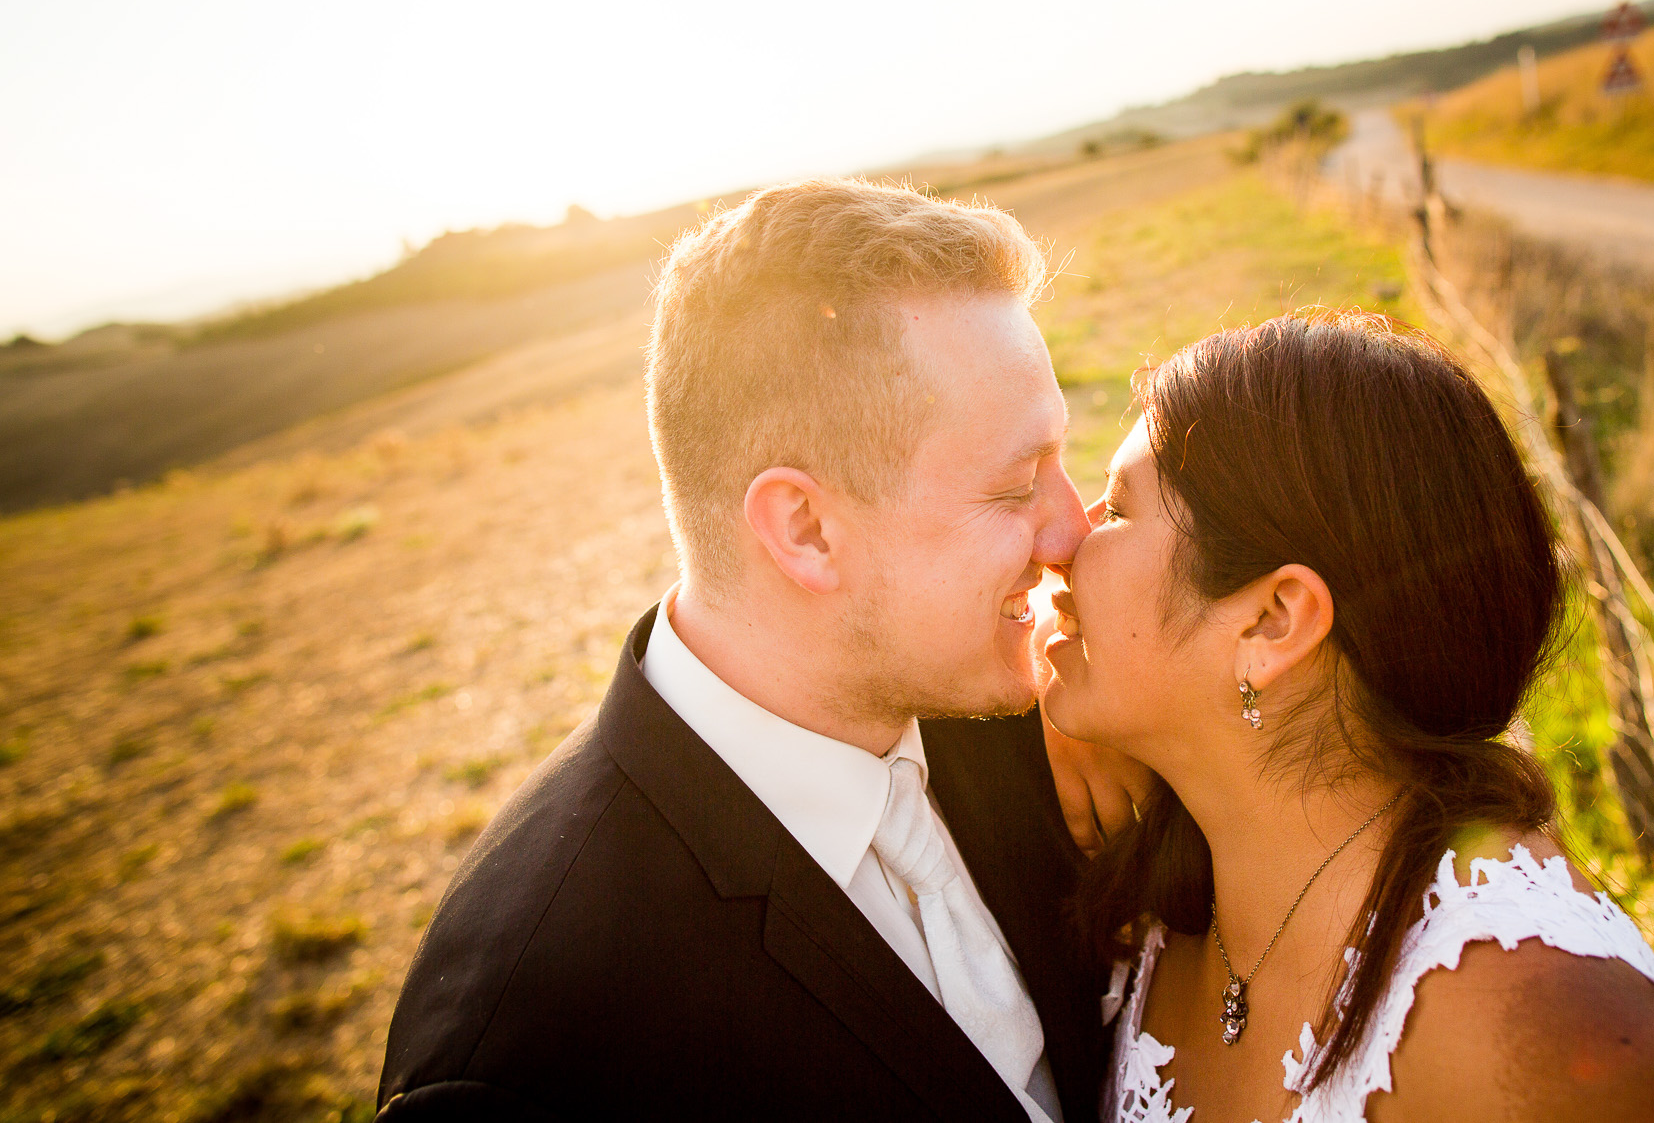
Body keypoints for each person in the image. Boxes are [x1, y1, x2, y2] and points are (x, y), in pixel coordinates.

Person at [377, 179, 1115, 1121]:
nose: (1070, 531)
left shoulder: (1036, 722)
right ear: (804, 528)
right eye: (1017, 487)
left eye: (1063, 459)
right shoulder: (533, 1054)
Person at [1039, 312, 1654, 1122]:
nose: (1065, 541)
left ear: (1273, 620)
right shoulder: (1169, 853)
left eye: (1118, 510)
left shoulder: (1512, 1013)